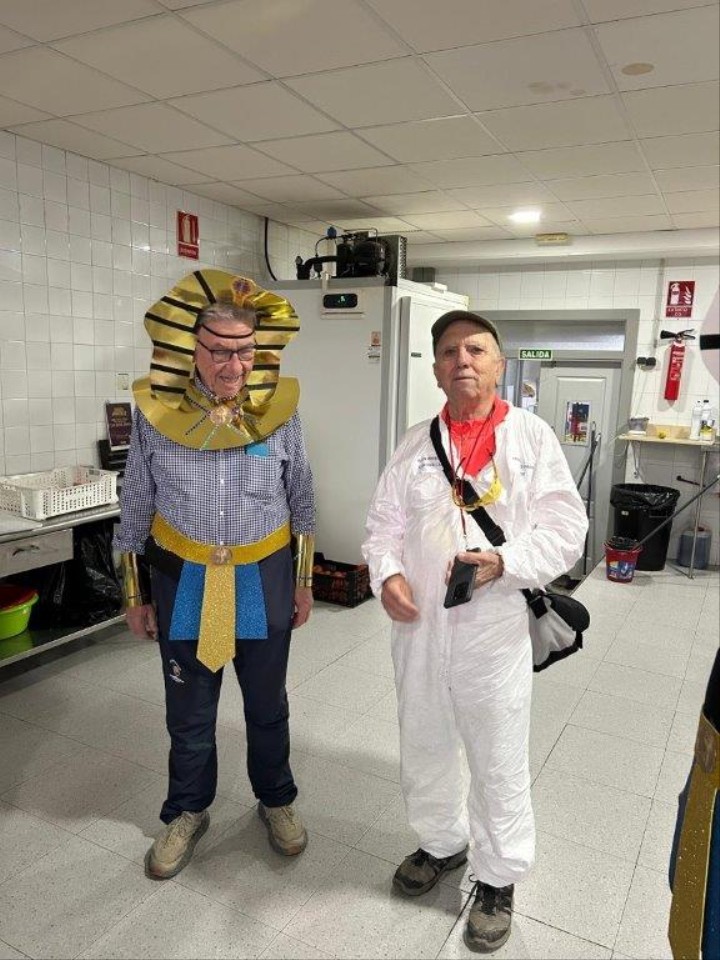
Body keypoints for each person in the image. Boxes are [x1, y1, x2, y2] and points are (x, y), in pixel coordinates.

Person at [362, 310, 587, 953]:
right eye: (450, 352)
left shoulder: (531, 438)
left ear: (498, 363)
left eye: (476, 350)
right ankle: (441, 843)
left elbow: (566, 530)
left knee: (497, 753)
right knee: (424, 739)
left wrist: (505, 562)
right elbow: (383, 526)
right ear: (436, 370)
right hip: (419, 625)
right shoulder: (415, 444)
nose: (462, 360)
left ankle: (499, 875)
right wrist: (388, 575)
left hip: (494, 623)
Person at [114, 269, 315, 880]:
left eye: (245, 351)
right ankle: (187, 810)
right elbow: (135, 499)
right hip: (184, 577)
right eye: (221, 350)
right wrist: (133, 591)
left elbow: (301, 494)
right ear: (192, 349)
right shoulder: (155, 414)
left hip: (261, 574)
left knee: (267, 704)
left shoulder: (280, 413)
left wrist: (304, 579)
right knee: (190, 710)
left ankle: (276, 800)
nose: (234, 365)